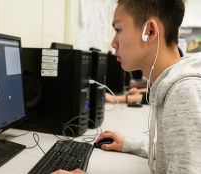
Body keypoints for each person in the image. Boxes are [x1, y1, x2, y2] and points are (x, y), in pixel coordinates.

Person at [52, 0, 201, 173]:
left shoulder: (184, 92)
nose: (113, 43)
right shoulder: (172, 84)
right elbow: (172, 154)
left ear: (149, 31)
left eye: (118, 30)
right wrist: (130, 144)